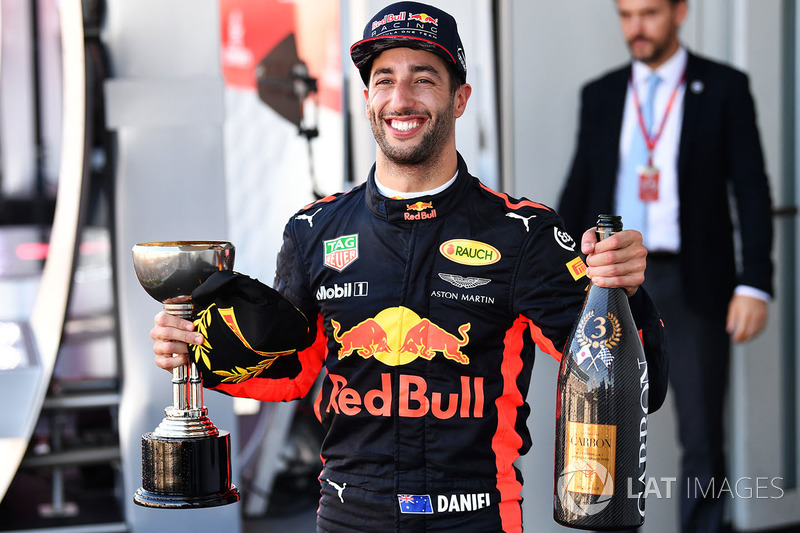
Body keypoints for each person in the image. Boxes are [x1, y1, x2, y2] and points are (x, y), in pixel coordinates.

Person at [152, 2, 667, 531]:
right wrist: (196, 350)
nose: (401, 99)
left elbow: (636, 383)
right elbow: (293, 370)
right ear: (368, 97)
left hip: (475, 519)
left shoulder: (525, 235)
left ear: (460, 99)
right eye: (384, 80)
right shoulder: (313, 230)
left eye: (423, 79)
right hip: (350, 516)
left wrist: (623, 288)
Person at [557, 1, 773, 532]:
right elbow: (577, 190)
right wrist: (561, 275)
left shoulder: (723, 87)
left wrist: (755, 283)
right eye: (626, 14)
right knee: (599, 420)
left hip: (693, 281)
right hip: (611, 287)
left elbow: (751, 190)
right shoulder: (601, 94)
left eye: (649, 12)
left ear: (680, 11)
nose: (636, 27)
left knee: (700, 436)